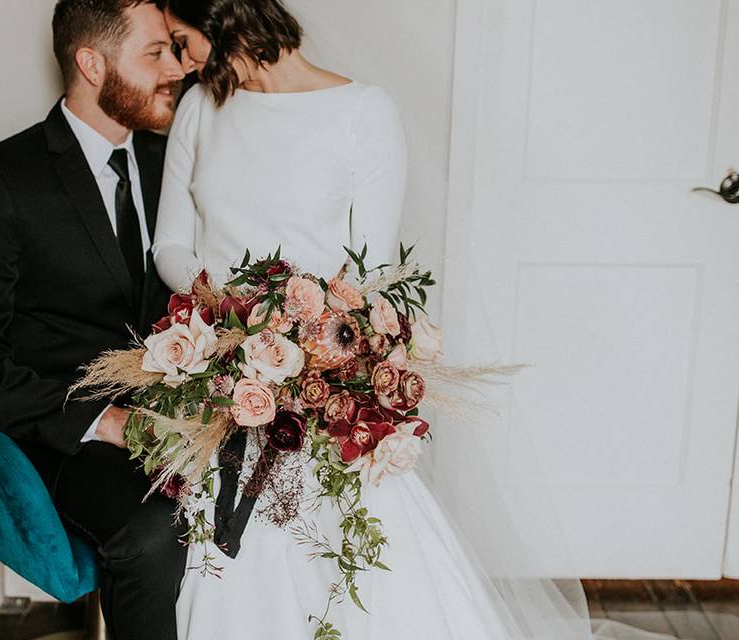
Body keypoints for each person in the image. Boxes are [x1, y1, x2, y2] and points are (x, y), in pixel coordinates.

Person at [151, 1, 680, 639]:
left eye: (182, 41)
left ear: (225, 17)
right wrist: (231, 310)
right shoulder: (200, 109)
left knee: (351, 571)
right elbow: (170, 246)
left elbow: (368, 271)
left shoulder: (363, 111)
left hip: (323, 379)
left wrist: (300, 331)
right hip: (220, 376)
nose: (178, 63)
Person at [0, 2, 188, 638]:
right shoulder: (4, 180)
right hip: (65, 434)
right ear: (91, 64)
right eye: (155, 54)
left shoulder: (170, 161)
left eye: (173, 49)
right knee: (154, 533)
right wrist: (103, 421)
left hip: (174, 411)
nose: (175, 68)